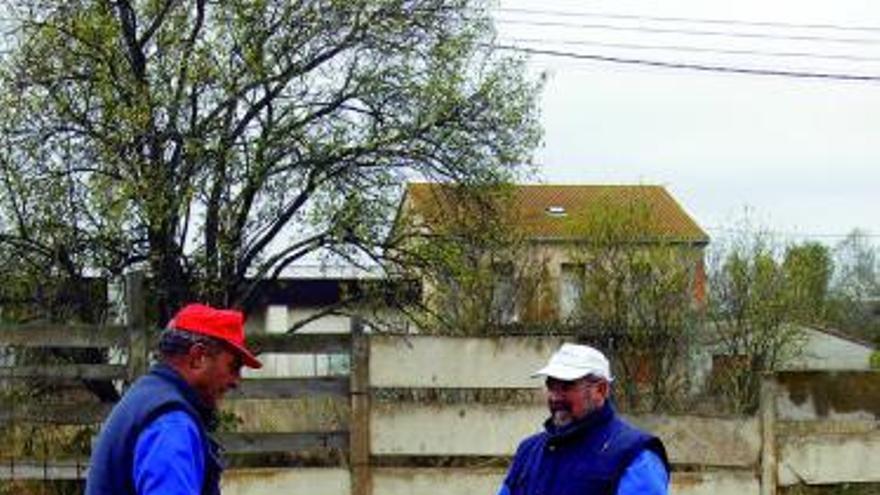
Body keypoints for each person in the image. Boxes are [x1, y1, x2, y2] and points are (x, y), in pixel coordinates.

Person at [86, 303, 263, 495]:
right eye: (233, 366)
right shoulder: (171, 423)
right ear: (197, 357)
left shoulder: (146, 396)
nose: (236, 381)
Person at [497, 343, 670, 495]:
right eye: (551, 386)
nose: (556, 397)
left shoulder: (636, 455)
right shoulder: (529, 451)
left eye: (566, 387)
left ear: (601, 390)